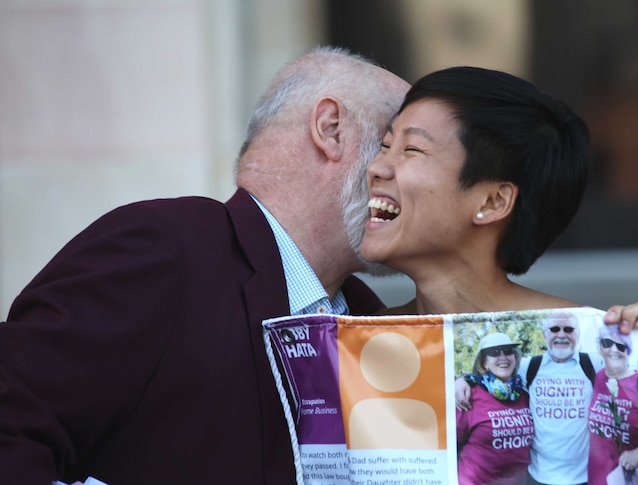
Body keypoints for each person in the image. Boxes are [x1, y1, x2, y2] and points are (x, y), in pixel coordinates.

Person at [0, 46, 410, 485]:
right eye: (392, 144)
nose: (411, 177)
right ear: (330, 130)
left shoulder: (374, 320)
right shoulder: (166, 249)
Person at [359, 66, 638, 485]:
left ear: (492, 201)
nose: (377, 168)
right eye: (385, 145)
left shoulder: (596, 341)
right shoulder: (353, 343)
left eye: (411, 150)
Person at [587, 324, 638, 485]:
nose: (614, 350)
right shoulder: (599, 377)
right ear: (601, 346)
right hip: (596, 478)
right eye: (608, 343)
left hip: (630, 478)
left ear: (628, 351)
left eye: (621, 346)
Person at [456, 333, 533, 485]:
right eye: (494, 353)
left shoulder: (524, 394)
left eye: (508, 351)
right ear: (484, 363)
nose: (503, 357)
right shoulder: (468, 395)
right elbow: (452, 445)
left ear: (515, 357)